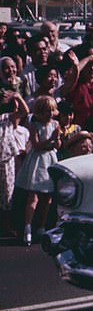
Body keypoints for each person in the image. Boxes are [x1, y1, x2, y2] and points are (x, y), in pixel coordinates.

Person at [15, 95, 61, 245]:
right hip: (38, 160)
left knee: (47, 197)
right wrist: (50, 140)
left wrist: (57, 139)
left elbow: (57, 145)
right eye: (46, 111)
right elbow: (37, 145)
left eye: (52, 110)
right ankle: (28, 227)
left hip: (50, 160)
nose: (50, 114)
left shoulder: (55, 124)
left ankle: (41, 226)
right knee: (33, 196)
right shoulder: (35, 126)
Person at [0, 90, 29, 237]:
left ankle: (6, 225)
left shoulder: (7, 118)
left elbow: (25, 111)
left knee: (7, 194)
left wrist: (17, 96)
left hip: (6, 161)